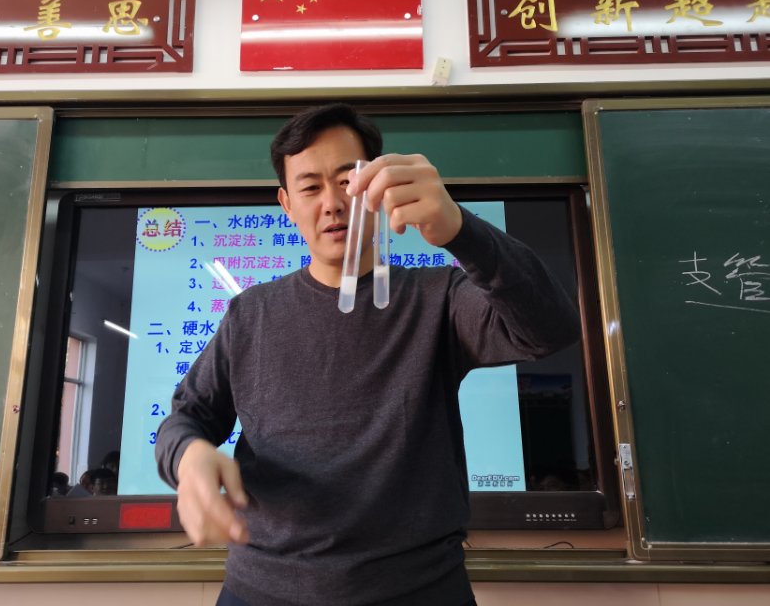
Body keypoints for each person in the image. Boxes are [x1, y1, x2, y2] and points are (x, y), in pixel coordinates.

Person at [155, 103, 580, 606]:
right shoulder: (251, 313)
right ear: (287, 204)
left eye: (347, 181)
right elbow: (186, 417)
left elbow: (549, 328)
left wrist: (462, 230)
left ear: (378, 187)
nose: (332, 203)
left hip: (419, 591)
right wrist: (190, 458)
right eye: (310, 187)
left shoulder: (439, 298)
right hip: (262, 590)